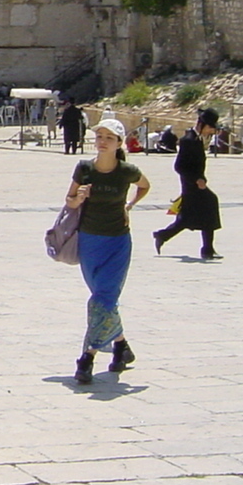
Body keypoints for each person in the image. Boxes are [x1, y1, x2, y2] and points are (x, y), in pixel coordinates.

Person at [65, 117, 151, 384]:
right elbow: (69, 199)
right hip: (90, 240)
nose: (102, 142)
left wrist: (129, 205)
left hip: (117, 242)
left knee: (102, 299)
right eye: (99, 136)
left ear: (118, 144)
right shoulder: (84, 169)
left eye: (108, 138)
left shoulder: (127, 170)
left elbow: (145, 185)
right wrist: (78, 199)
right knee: (104, 299)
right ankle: (122, 346)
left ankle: (86, 358)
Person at [154, 108, 222, 259]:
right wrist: (195, 180)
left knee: (191, 216)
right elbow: (179, 166)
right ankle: (206, 249)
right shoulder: (188, 140)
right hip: (191, 186)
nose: (211, 130)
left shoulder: (197, 139)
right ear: (202, 124)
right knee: (205, 207)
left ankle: (163, 236)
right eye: (210, 126)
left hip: (197, 184)